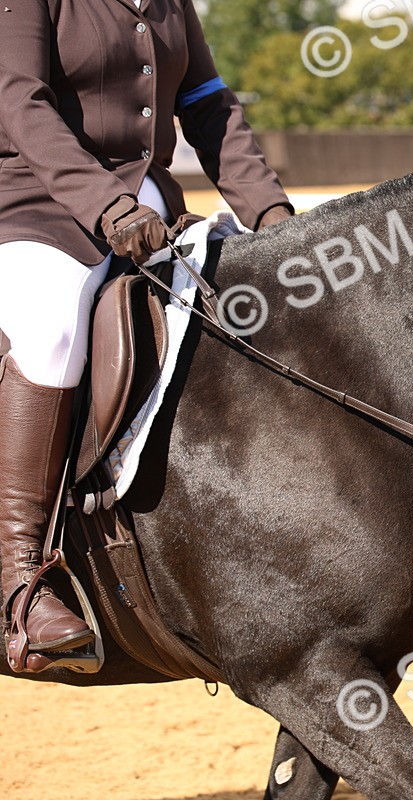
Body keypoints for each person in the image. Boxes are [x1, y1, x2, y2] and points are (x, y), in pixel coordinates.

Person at [0, 0, 293, 667]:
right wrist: (104, 205)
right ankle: (18, 586)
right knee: (50, 334)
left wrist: (275, 220)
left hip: (147, 202)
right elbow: (21, 103)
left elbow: (209, 104)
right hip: (35, 202)